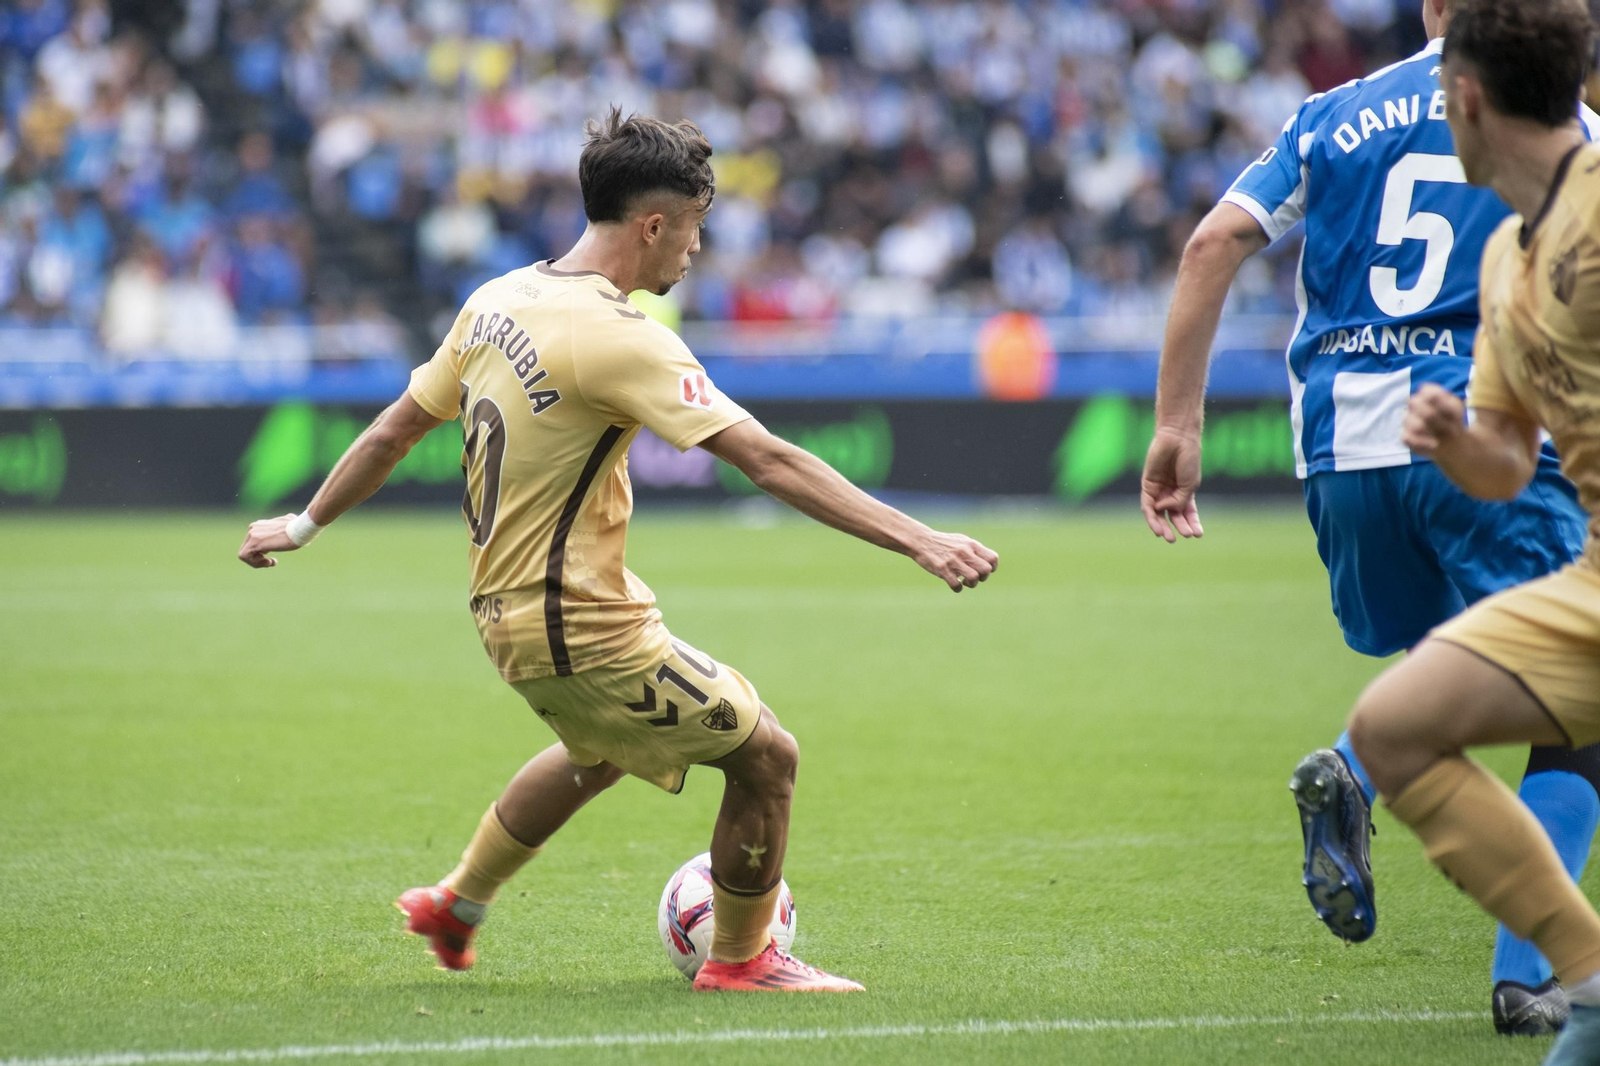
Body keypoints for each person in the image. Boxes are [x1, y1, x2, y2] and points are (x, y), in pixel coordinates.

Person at [236, 109, 998, 993]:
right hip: (582, 625)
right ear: (653, 225)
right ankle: (744, 959)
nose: (698, 249)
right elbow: (767, 458)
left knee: (598, 754)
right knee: (767, 758)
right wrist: (919, 538)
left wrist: (303, 524)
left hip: (504, 621)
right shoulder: (618, 335)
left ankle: (458, 902)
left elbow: (395, 429)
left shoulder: (497, 300)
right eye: (697, 227)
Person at [1138, 0, 1600, 1034]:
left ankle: (1365, 768)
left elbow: (1213, 239)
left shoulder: (1330, 112)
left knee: (1469, 669)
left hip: (1343, 448)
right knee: (1571, 714)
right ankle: (1535, 975)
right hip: (1483, 433)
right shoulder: (1571, 143)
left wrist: (1177, 421)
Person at [1358, 2, 1600, 1061]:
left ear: (1462, 98)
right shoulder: (1509, 249)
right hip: (1590, 580)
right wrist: (1456, 441)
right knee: (1392, 728)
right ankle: (1585, 972)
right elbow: (1507, 461)